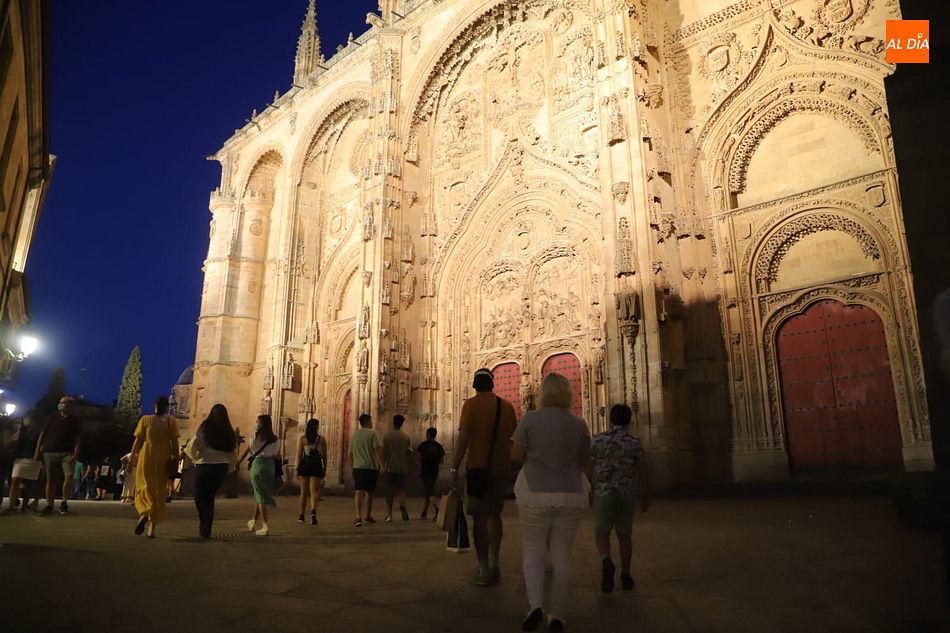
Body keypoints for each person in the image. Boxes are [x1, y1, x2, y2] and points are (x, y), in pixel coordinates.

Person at [510, 373, 591, 632]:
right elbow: (585, 459)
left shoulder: (530, 419)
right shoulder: (579, 423)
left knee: (533, 549)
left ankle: (535, 607)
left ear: (542, 393)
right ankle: (557, 616)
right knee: (562, 554)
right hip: (569, 492)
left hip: (534, 492)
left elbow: (515, 455)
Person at [449, 367, 518, 587]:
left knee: (479, 519)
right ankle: (495, 562)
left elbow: (463, 439)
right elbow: (514, 438)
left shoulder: (470, 406)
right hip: (501, 469)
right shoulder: (506, 407)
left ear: (474, 385)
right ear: (492, 384)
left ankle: (484, 569)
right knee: (494, 515)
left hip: (478, 469)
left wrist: (454, 468)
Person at [591, 403, 651, 596]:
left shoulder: (598, 440)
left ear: (610, 419)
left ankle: (606, 560)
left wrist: (589, 488)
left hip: (603, 492)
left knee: (602, 532)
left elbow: (587, 462)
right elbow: (642, 471)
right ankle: (626, 574)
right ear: (629, 421)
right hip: (626, 494)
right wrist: (645, 495)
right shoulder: (634, 443)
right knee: (624, 535)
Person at [128, 396, 180, 538]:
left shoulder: (145, 420)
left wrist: (131, 460)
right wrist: (176, 458)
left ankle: (145, 511)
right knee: (159, 490)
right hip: (163, 457)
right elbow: (175, 443)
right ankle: (152, 528)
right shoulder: (170, 421)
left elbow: (137, 442)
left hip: (147, 457)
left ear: (154, 406)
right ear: (167, 407)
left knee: (144, 486)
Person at [185, 404, 237, 538]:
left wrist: (194, 458)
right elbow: (233, 452)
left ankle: (204, 524)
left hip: (205, 464)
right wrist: (230, 468)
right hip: (221, 467)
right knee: (209, 497)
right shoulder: (228, 431)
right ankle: (206, 527)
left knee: (199, 497)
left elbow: (195, 442)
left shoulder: (206, 427)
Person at [38, 396, 82, 515]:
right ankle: (49, 504)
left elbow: (77, 439)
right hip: (50, 451)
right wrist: (38, 449)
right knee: (50, 479)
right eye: (60, 403)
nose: (61, 405)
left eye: (64, 403)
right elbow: (43, 433)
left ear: (70, 406)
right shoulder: (52, 417)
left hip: (67, 453)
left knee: (69, 476)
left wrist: (76, 453)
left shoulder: (75, 420)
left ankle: (64, 502)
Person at [238, 415, 281, 536]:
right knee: (260, 493)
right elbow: (277, 455)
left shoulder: (254, 438)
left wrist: (239, 462)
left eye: (257, 422)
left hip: (258, 465)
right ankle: (253, 521)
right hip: (270, 466)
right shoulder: (276, 439)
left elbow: (251, 450)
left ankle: (265, 526)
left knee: (260, 495)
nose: (256, 423)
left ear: (260, 424)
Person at [2, 412, 43, 514]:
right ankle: (11, 506)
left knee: (28, 484)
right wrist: (18, 431)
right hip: (20, 458)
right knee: (15, 480)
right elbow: (14, 440)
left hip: (32, 458)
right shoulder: (22, 430)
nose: (25, 420)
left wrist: (37, 454)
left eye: (27, 418)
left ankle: (24, 506)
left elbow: (40, 443)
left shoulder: (39, 430)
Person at [348, 413, 383, 527]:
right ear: (367, 422)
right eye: (371, 421)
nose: (372, 422)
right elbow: (377, 450)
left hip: (358, 467)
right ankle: (367, 516)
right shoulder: (373, 434)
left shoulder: (355, 435)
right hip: (370, 467)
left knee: (358, 491)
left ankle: (358, 516)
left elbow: (350, 453)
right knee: (369, 492)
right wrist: (382, 465)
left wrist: (352, 466)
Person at [296, 418, 327, 525]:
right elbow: (324, 456)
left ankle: (301, 515)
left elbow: (299, 454)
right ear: (316, 427)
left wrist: (297, 468)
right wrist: (325, 468)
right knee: (314, 491)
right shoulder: (322, 439)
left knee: (303, 492)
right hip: (316, 465)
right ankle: (313, 512)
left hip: (305, 465)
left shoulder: (303, 439)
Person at [382, 414, 412, 522]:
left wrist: (382, 466)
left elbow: (384, 453)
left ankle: (389, 514)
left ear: (393, 422)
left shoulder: (387, 436)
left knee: (389, 491)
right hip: (402, 467)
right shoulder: (406, 437)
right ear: (402, 424)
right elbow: (408, 453)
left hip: (391, 467)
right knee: (401, 489)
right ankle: (402, 505)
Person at [416, 427, 445, 520]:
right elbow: (442, 461)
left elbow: (419, 458)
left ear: (427, 434)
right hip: (434, 471)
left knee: (430, 492)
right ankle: (424, 512)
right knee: (428, 491)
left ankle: (437, 509)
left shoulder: (423, 445)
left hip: (425, 471)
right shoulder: (439, 446)